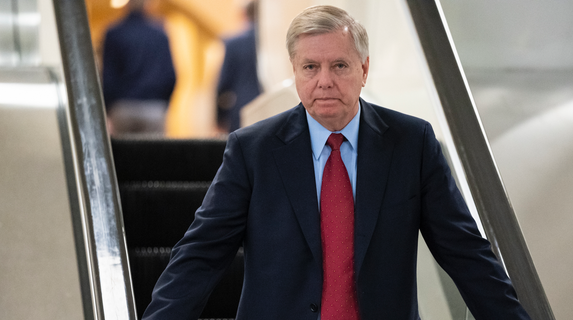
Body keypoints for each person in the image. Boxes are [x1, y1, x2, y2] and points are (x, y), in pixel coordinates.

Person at [142, 5, 531, 320]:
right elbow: (201, 254)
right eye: (310, 67)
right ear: (295, 71)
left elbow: (464, 252)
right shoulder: (252, 150)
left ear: (363, 70)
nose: (324, 80)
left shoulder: (412, 144)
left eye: (340, 66)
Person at [101, 0, 176, 136]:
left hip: (123, 107)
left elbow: (108, 78)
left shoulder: (114, 33)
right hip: (153, 107)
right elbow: (170, 76)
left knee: (123, 156)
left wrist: (108, 108)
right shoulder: (159, 35)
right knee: (154, 155)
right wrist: (162, 104)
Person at [216, 1, 262, 133]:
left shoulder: (233, 43)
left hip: (241, 106)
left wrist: (219, 117)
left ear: (244, 14)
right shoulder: (275, 42)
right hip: (269, 103)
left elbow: (223, 85)